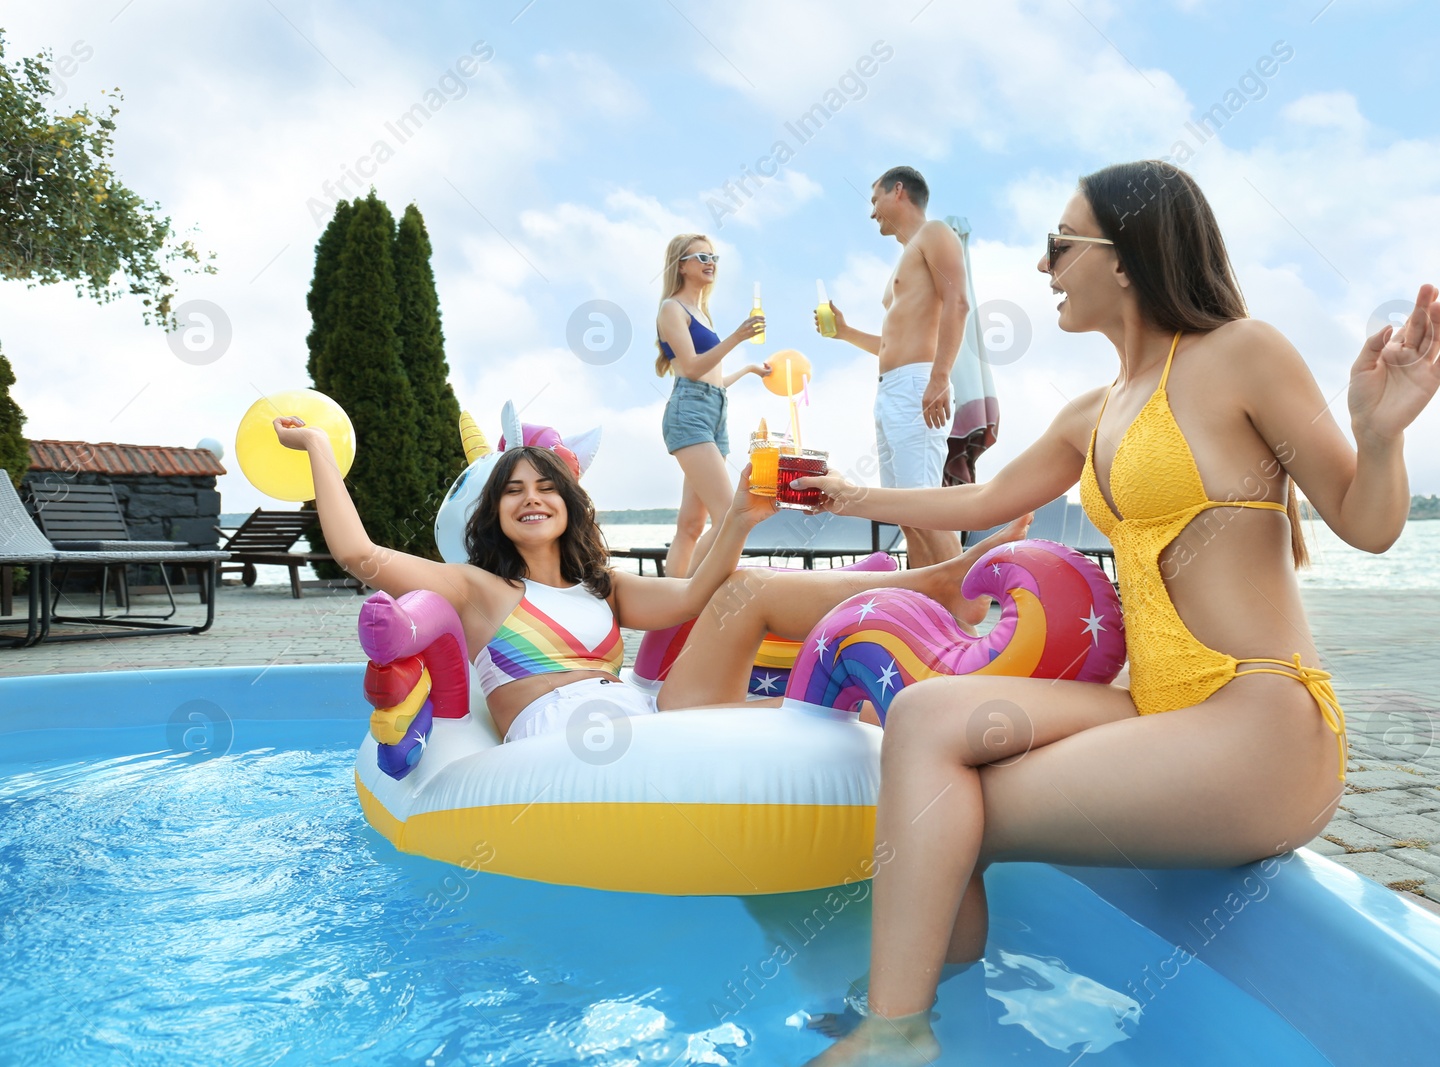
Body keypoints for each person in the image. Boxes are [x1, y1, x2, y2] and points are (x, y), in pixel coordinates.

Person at [791, 160, 1440, 1065]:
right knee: (921, 719)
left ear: (1128, 255)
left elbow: (1367, 521)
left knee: (952, 806)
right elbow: (977, 503)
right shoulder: (1090, 414)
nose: (1043, 269)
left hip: (1262, 720)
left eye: (1059, 246)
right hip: (1161, 712)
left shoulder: (1241, 354)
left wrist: (1381, 434)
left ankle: (897, 1028)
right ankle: (922, 1011)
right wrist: (852, 494)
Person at [270, 418, 1028, 742]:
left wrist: (740, 514)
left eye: (545, 487)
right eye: (512, 490)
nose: (531, 497)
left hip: (644, 714)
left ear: (568, 505)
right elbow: (360, 553)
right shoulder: (476, 588)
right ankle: (942, 581)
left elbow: (701, 596)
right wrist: (316, 452)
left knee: (748, 586)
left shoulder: (606, 587)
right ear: (495, 514)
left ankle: (940, 579)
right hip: (569, 743)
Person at [815, 166, 970, 571]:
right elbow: (889, 345)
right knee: (909, 516)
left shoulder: (935, 234)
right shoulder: (907, 255)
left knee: (925, 510)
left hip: (919, 384)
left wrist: (940, 377)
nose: (872, 214)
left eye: (874, 201)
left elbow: (958, 303)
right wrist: (845, 332)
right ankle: (928, 613)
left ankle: (967, 618)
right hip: (892, 389)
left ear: (898, 191)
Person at [654, 233, 771, 579]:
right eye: (701, 257)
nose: (710, 264)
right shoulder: (671, 308)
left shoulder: (702, 313)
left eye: (713, 258)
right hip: (688, 414)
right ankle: (690, 595)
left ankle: (672, 609)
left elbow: (712, 380)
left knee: (691, 525)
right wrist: (737, 337)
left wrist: (749, 369)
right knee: (730, 515)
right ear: (682, 265)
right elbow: (691, 368)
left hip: (715, 412)